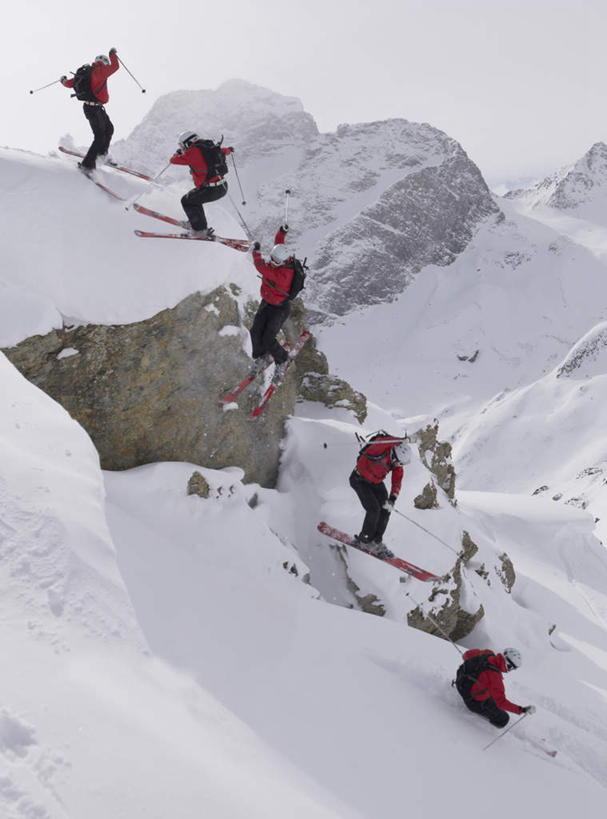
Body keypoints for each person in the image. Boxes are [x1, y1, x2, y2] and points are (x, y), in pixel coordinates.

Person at [349, 433, 411, 558]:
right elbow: (380, 441)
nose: (399, 465)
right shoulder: (380, 449)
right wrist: (398, 440)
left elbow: (397, 481)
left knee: (386, 509)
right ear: (394, 455)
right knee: (374, 509)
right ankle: (364, 540)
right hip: (359, 479)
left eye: (401, 464)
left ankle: (376, 541)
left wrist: (393, 498)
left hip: (376, 482)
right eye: (398, 462)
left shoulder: (397, 463)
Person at [249, 225, 295, 384]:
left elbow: (261, 267)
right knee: (255, 332)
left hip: (280, 308)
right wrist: (282, 232)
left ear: (283, 262)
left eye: (276, 261)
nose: (272, 262)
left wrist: (256, 252)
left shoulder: (282, 275)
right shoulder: (281, 257)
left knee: (268, 338)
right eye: (272, 259)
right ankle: (261, 356)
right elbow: (278, 242)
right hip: (268, 302)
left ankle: (283, 360)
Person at [61, 50, 120, 172]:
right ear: (104, 62)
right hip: (94, 109)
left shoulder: (87, 73)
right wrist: (112, 54)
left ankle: (102, 154)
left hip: (94, 108)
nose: (108, 65)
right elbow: (115, 66)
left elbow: (69, 84)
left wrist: (63, 81)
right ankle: (87, 165)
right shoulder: (100, 71)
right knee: (99, 137)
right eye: (107, 62)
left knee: (109, 129)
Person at [169, 132, 234, 238]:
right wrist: (229, 150)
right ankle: (196, 224)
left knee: (186, 201)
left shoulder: (192, 152)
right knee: (194, 200)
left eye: (182, 146)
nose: (183, 148)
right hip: (222, 186)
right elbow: (223, 151)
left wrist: (177, 153)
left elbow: (173, 160)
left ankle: (200, 231)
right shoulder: (208, 147)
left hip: (211, 189)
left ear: (188, 143)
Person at [455, 647, 536, 728]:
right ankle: (483, 724)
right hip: (470, 699)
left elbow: (466, 655)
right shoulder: (495, 678)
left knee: (490, 693)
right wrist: (522, 710)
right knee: (504, 718)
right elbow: (501, 702)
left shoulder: (487, 653)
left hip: (460, 680)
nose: (510, 670)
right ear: (508, 664)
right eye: (512, 668)